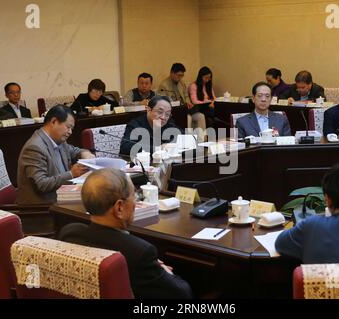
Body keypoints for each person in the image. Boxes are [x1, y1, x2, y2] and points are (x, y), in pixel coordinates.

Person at [59, 168, 193, 299]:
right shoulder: (139, 252)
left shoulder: (69, 233)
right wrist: (164, 271)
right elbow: (182, 293)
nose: (136, 201)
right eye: (134, 195)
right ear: (119, 208)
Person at [17, 105, 94, 205]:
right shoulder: (35, 147)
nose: (70, 132)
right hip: (43, 208)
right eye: (68, 127)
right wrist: (72, 174)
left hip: (61, 197)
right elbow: (42, 184)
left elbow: (74, 151)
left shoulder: (58, 140)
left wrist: (85, 153)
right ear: (54, 122)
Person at [188, 66, 215, 138]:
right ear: (200, 77)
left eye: (209, 78)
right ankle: (203, 138)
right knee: (208, 114)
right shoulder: (193, 86)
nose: (207, 80)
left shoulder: (209, 85)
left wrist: (212, 102)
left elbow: (213, 98)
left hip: (209, 108)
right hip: (200, 109)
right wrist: (207, 102)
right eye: (206, 78)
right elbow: (194, 101)